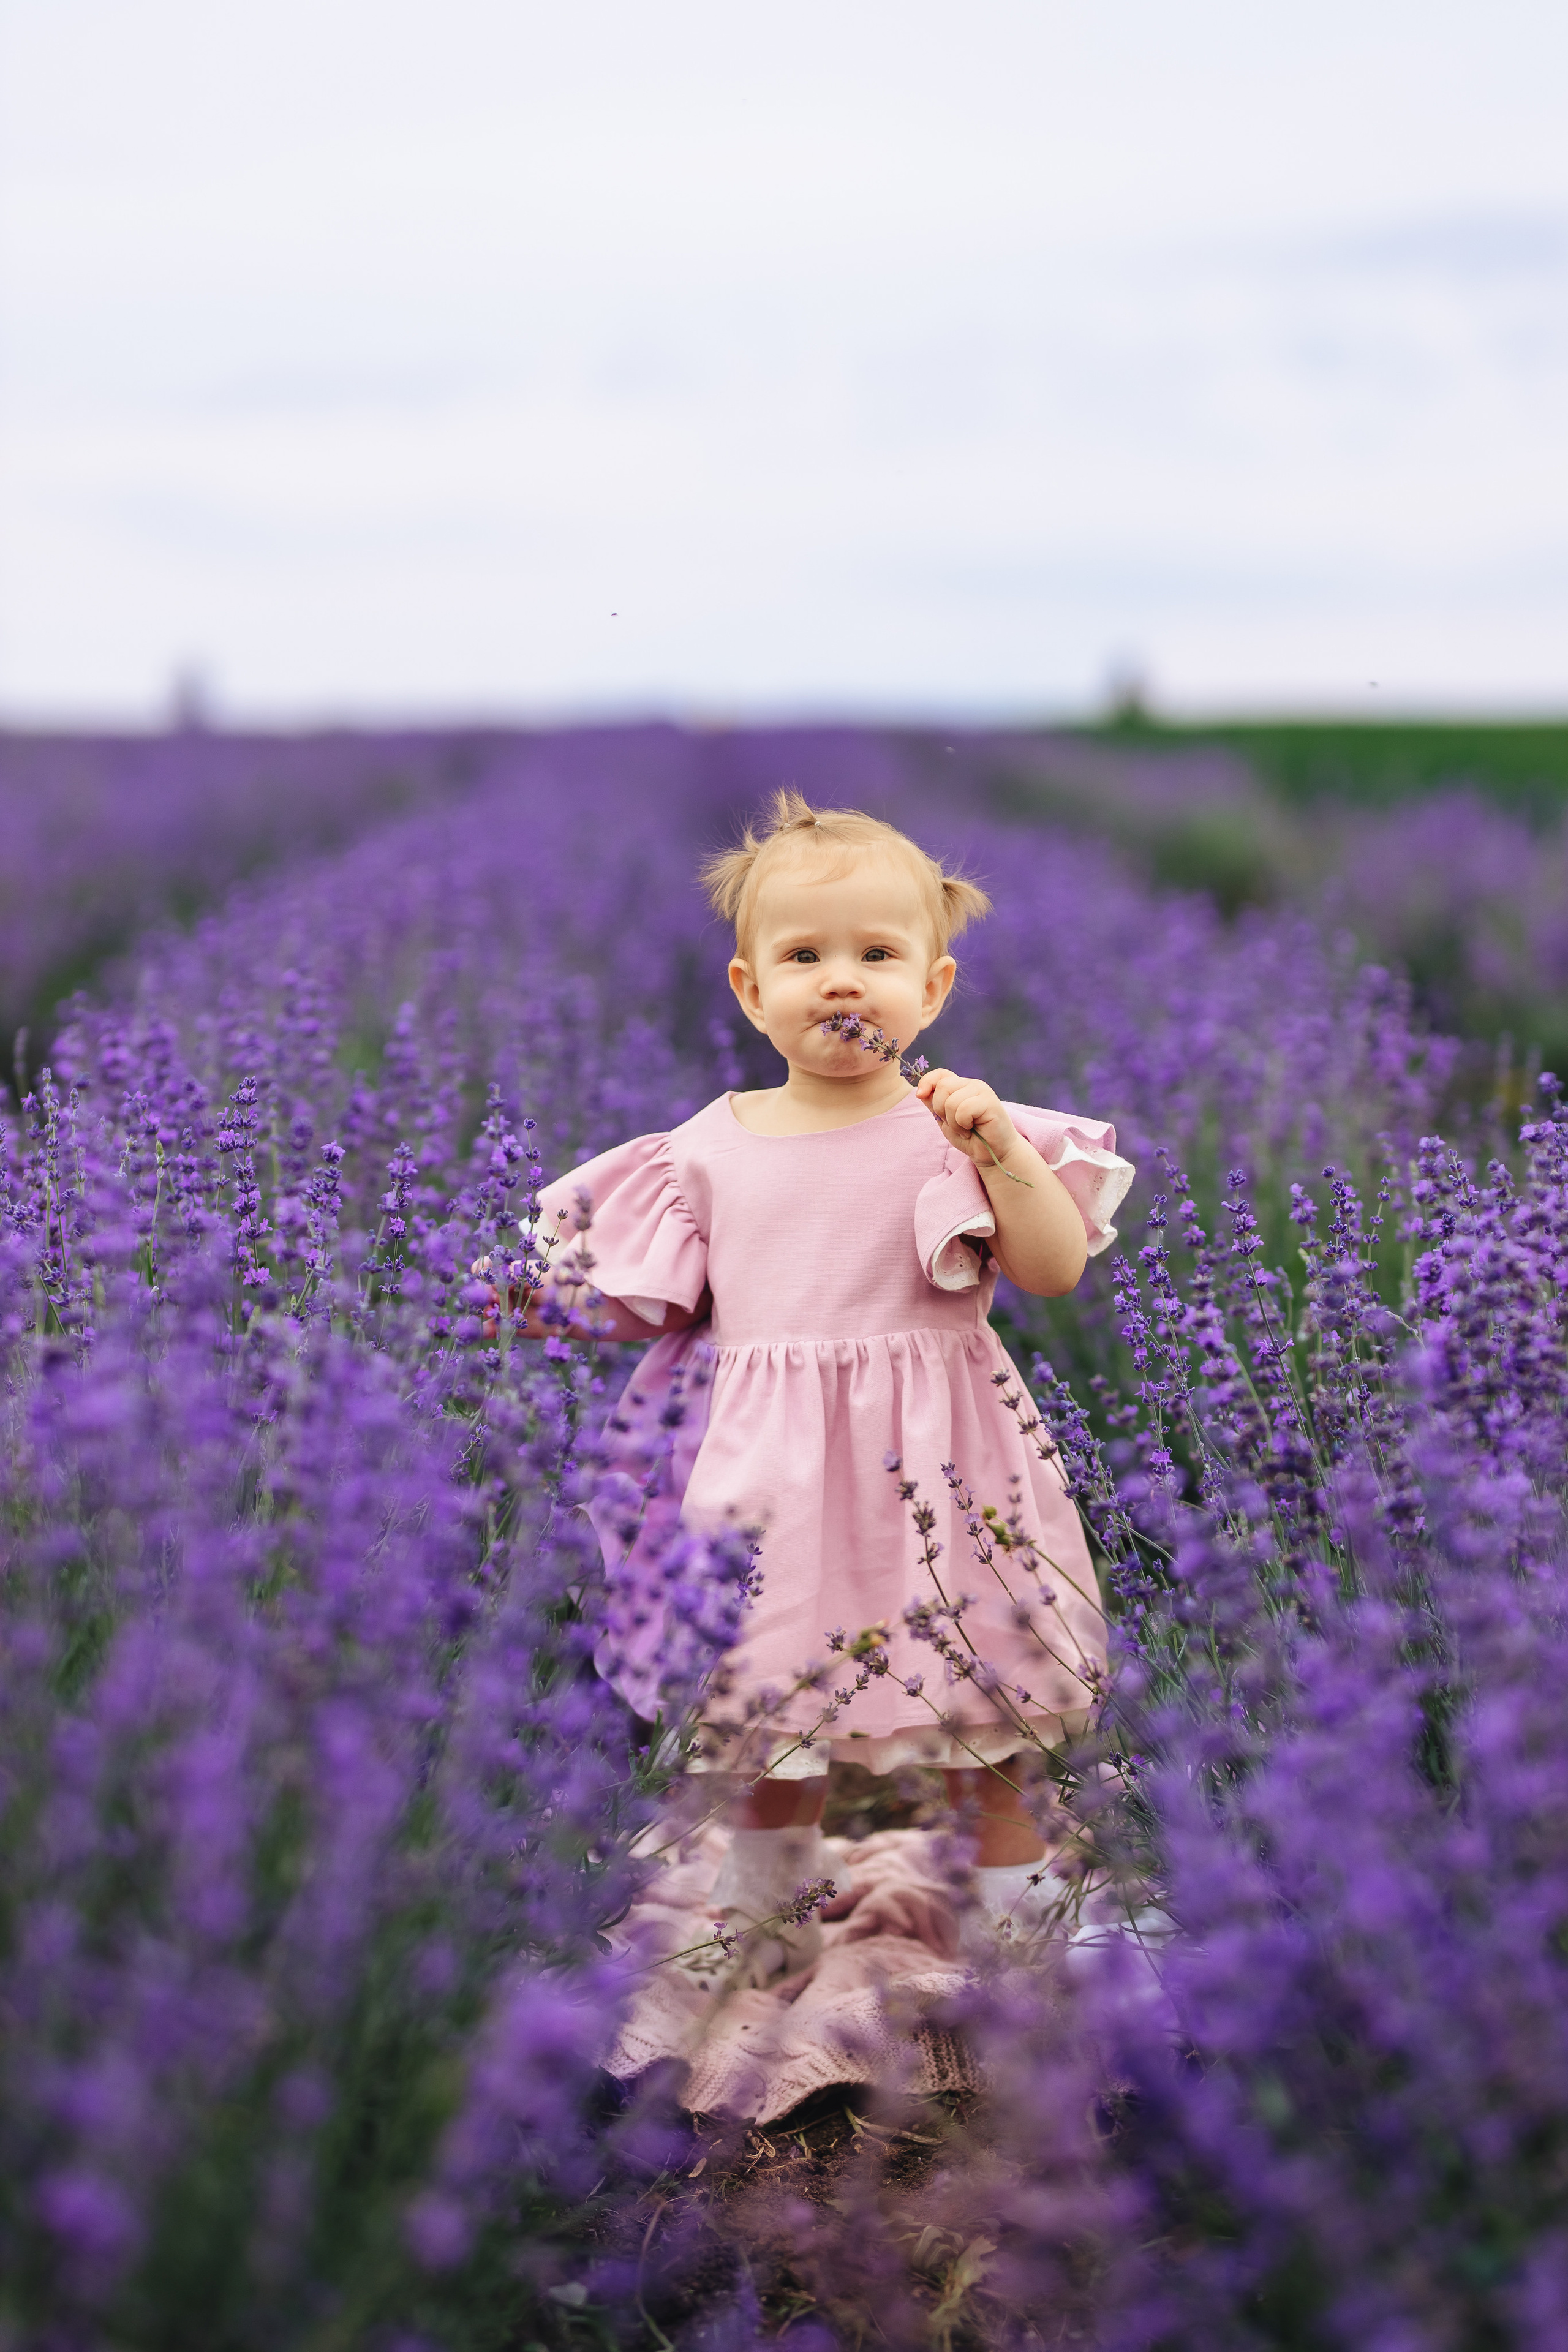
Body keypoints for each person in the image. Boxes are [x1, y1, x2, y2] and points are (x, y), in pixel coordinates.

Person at [521, 790, 1133, 1981]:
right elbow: (635, 1299)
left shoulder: (955, 1135)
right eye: (804, 957)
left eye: (875, 956)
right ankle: (758, 1924)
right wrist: (533, 1303)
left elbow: (1051, 1271)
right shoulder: (701, 1148)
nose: (841, 983)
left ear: (934, 988)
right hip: (768, 1483)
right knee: (760, 1727)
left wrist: (999, 1151)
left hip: (948, 1471)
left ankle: (1023, 1934)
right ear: (750, 991)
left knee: (986, 1719)